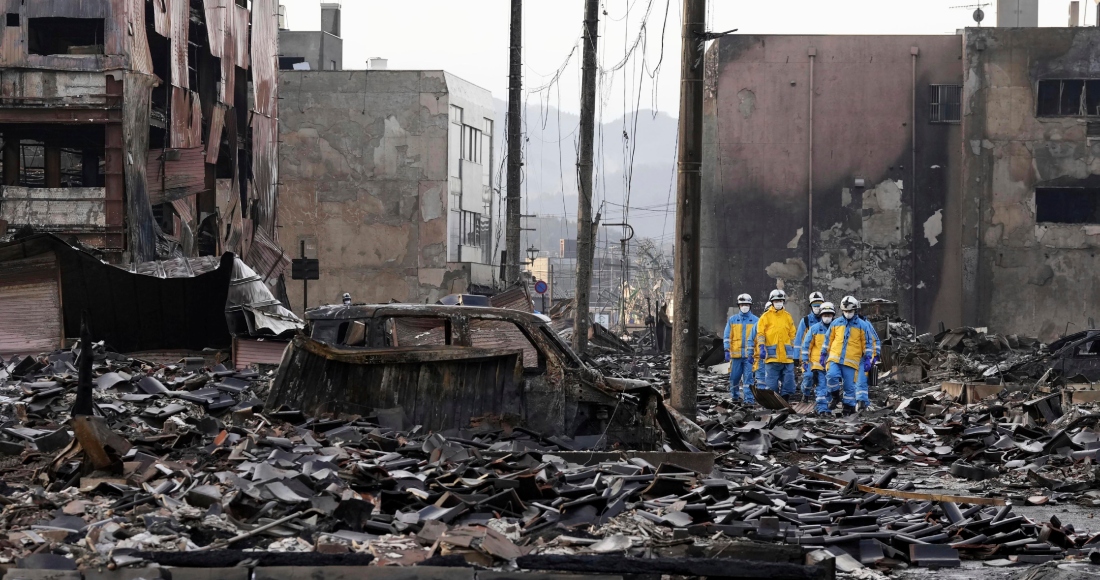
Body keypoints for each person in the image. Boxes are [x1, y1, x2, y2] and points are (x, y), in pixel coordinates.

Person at [820, 296, 876, 415]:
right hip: (835, 358)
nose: (847, 313)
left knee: (849, 387)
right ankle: (835, 396)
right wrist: (823, 354)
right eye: (845, 311)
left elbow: (867, 343)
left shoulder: (862, 325)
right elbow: (828, 339)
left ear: (855, 310)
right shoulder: (836, 323)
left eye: (850, 311)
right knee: (831, 376)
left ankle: (848, 408)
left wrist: (867, 358)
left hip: (851, 361)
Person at [755, 289, 798, 400]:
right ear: (772, 302)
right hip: (772, 356)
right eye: (776, 300)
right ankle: (774, 401)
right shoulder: (765, 317)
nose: (779, 302)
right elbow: (760, 333)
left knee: (788, 381)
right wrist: (762, 346)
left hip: (787, 357)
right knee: (771, 383)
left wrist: (792, 348)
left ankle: (784, 400)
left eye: (780, 300)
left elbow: (793, 334)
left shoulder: (788, 316)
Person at [722, 294, 758, 404]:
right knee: (734, 378)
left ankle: (749, 400)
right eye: (742, 304)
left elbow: (758, 338)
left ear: (750, 305)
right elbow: (727, 336)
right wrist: (727, 350)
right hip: (736, 356)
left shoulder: (756, 320)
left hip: (749, 356)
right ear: (739, 305)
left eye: (746, 304)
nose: (744, 306)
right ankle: (734, 397)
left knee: (748, 380)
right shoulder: (733, 320)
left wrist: (756, 354)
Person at [800, 302, 835, 413]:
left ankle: (827, 408)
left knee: (830, 388)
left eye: (829, 315)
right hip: (817, 363)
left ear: (833, 316)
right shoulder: (814, 329)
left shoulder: (837, 329)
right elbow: (806, 346)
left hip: (832, 364)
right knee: (820, 386)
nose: (827, 317)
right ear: (821, 316)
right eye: (825, 315)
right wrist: (805, 361)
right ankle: (821, 408)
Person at [795, 291, 826, 400]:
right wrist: (796, 357)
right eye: (814, 305)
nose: (817, 307)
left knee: (824, 380)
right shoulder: (806, 321)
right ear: (811, 306)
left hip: (824, 357)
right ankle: (806, 392)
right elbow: (798, 339)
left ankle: (822, 398)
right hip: (808, 357)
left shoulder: (829, 320)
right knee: (808, 376)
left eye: (819, 305)